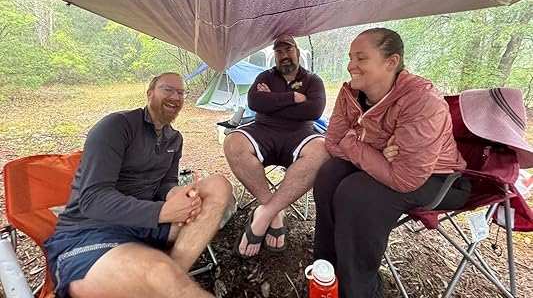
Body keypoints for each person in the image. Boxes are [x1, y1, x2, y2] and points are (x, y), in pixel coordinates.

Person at [313, 28, 471, 298]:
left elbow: (404, 178)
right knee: (329, 174)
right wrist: (375, 150)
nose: (351, 66)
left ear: (391, 61)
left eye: (361, 58)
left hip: (439, 178)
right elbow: (333, 142)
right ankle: (325, 272)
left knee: (357, 193)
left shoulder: (421, 101)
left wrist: (354, 143)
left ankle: (358, 290)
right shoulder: (350, 94)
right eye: (350, 57)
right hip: (389, 166)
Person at [44, 72, 232, 298]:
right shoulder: (116, 126)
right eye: (167, 89)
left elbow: (166, 182)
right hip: (92, 231)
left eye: (181, 92)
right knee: (162, 275)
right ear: (149, 93)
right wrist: (162, 211)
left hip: (146, 227)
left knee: (218, 186)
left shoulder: (174, 139)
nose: (176, 97)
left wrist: (175, 194)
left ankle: (170, 276)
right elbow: (92, 199)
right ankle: (165, 281)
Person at [224, 35, 330, 258]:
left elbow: (314, 110)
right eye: (279, 52)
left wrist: (272, 100)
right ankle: (276, 212)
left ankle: (265, 214)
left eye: (288, 50)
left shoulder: (313, 80)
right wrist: (293, 97)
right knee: (233, 142)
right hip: (263, 129)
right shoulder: (265, 76)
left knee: (322, 150)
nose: (284, 56)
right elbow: (254, 102)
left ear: (297, 52)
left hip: (300, 133)